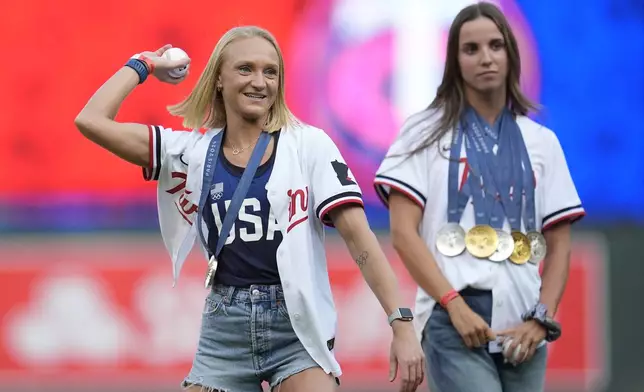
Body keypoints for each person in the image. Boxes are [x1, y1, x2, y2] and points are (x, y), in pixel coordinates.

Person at [74, 26, 425, 392]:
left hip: (297, 327)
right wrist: (144, 63)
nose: (260, 82)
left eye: (270, 71)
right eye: (245, 69)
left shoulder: (309, 145)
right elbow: (92, 120)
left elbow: (360, 241)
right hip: (224, 329)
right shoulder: (189, 152)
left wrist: (400, 322)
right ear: (219, 79)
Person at [373, 2, 585, 392]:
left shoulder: (542, 141)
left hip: (523, 325)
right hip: (452, 317)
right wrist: (454, 305)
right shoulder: (422, 131)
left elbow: (560, 245)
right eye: (471, 49)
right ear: (454, 60)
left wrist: (541, 319)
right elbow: (403, 234)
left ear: (511, 54)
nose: (485, 57)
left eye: (495, 46)